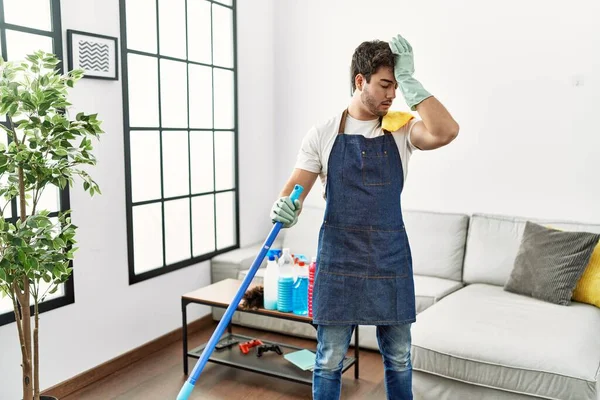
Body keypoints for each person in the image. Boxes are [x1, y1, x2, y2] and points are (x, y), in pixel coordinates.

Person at [270, 33, 459, 400]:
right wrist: (284, 209)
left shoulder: (401, 127)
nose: (392, 95)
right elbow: (293, 191)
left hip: (390, 259)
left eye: (396, 85)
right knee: (328, 359)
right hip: (339, 261)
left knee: (400, 356)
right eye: (385, 84)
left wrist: (410, 81)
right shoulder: (323, 133)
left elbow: (445, 131)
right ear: (361, 81)